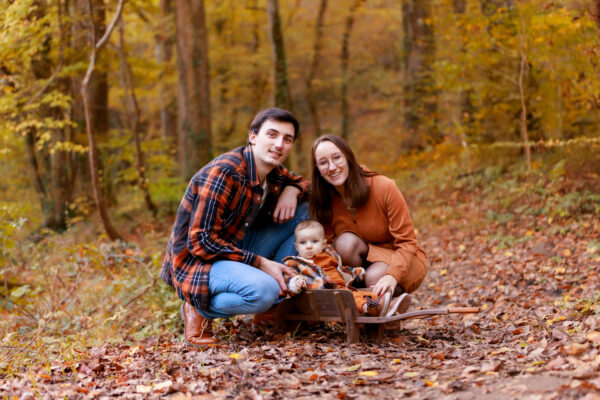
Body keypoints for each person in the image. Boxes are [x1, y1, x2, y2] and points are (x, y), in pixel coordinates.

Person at [161, 108, 310, 347]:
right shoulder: (225, 172)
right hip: (199, 261)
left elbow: (302, 182)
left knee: (305, 210)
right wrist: (261, 263)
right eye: (272, 135)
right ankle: (197, 307)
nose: (279, 144)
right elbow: (201, 241)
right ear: (253, 136)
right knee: (264, 291)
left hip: (234, 249)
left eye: (287, 139)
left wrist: (293, 190)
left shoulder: (272, 173)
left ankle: (282, 289)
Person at [310, 134, 427, 300]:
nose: (331, 167)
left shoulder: (384, 187)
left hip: (403, 260)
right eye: (323, 162)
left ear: (349, 157)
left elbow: (407, 243)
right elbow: (329, 246)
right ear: (318, 169)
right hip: (361, 267)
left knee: (375, 278)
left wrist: (392, 275)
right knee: (344, 243)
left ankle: (388, 304)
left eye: (337, 158)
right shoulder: (323, 200)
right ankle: (364, 305)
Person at [282, 220, 412, 317]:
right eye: (303, 243)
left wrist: (355, 273)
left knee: (360, 294)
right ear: (296, 246)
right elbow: (288, 278)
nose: (309, 246)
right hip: (324, 296)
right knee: (352, 298)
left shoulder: (329, 256)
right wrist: (295, 283)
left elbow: (341, 270)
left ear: (323, 243)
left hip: (342, 291)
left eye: (314, 242)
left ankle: (387, 306)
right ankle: (376, 307)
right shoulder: (295, 263)